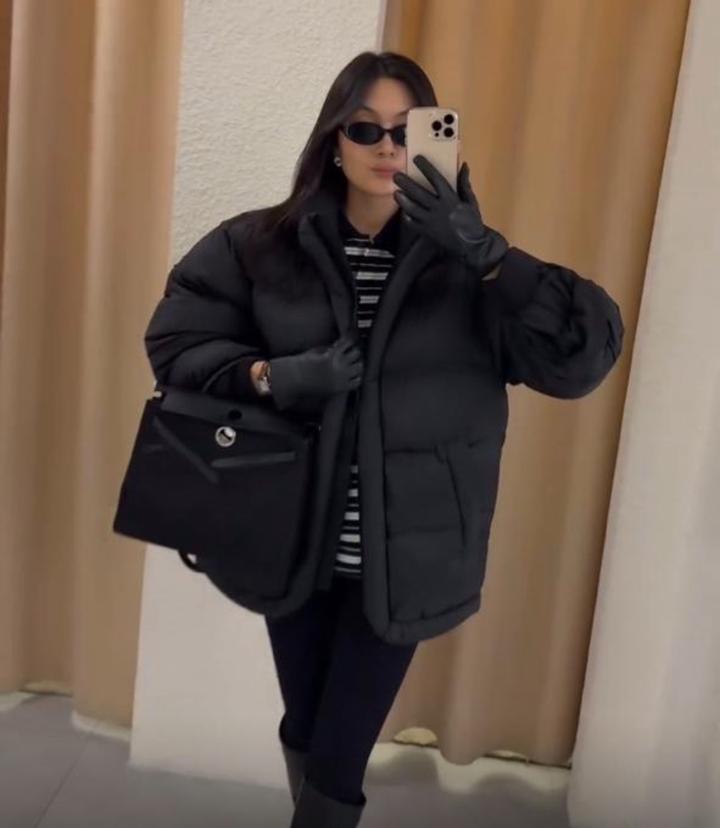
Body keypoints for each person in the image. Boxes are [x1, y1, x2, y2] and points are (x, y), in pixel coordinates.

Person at [144, 50, 624, 827]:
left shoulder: (472, 270)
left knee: (338, 758)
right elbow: (177, 341)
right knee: (307, 727)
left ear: (436, 137)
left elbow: (583, 356)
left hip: (405, 554)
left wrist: (492, 256)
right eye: (365, 128)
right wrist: (273, 376)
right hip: (289, 535)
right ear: (333, 141)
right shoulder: (260, 245)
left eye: (408, 130)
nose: (387, 146)